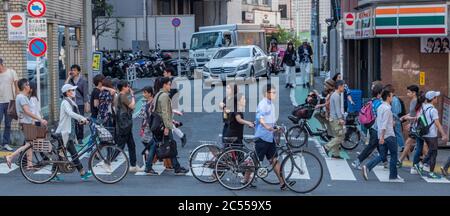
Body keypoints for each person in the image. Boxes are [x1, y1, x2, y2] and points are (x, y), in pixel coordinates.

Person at [254, 84, 294, 190]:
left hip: (269, 137)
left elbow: (271, 121)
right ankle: (245, 179)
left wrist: (277, 127)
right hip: (262, 137)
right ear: (266, 93)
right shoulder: (263, 104)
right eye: (273, 92)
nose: (275, 94)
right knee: (255, 161)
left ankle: (283, 183)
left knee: (274, 160)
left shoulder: (271, 104)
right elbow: (260, 118)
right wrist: (267, 127)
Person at [6, 80, 48, 168]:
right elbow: (27, 111)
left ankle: (29, 164)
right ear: (25, 86)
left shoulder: (21, 96)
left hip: (26, 123)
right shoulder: (22, 97)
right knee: (29, 144)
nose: (29, 87)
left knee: (30, 144)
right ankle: (11, 156)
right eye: (28, 85)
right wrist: (40, 119)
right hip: (26, 124)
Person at [55, 84, 92, 181]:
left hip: (67, 132)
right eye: (72, 90)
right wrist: (82, 118)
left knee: (62, 153)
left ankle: (53, 173)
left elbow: (71, 116)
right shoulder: (65, 103)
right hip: (64, 132)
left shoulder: (70, 101)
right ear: (67, 92)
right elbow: (70, 113)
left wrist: (81, 120)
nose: (74, 92)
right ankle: (82, 172)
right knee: (72, 153)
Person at [362, 89, 400, 181]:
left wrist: (381, 136)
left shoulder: (380, 107)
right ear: (388, 97)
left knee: (383, 156)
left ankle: (367, 167)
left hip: (381, 135)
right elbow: (384, 124)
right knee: (394, 155)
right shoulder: (387, 109)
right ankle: (393, 176)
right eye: (392, 95)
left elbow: (380, 122)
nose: (392, 97)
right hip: (389, 135)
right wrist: (382, 137)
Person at [154, 77, 189, 175]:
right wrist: (167, 126)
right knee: (171, 146)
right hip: (165, 125)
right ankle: (177, 168)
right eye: (169, 84)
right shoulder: (164, 96)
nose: (170, 86)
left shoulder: (158, 94)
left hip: (158, 124)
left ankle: (149, 166)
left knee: (161, 145)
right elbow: (165, 113)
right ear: (164, 85)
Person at [413, 91, 448, 179]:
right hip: (432, 134)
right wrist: (443, 134)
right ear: (433, 99)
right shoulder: (433, 110)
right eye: (436, 97)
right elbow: (437, 123)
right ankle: (420, 165)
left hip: (425, 134)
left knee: (433, 153)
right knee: (432, 151)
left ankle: (431, 172)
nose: (437, 98)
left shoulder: (423, 108)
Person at [352, 82, 384, 169]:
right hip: (376, 128)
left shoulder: (371, 101)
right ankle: (357, 161)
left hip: (371, 126)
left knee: (379, 146)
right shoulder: (379, 103)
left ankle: (385, 162)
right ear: (379, 93)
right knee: (371, 147)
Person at [116, 80, 142, 172]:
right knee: (120, 146)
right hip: (125, 125)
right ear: (123, 87)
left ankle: (133, 165)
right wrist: (132, 95)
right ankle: (108, 162)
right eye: (127, 86)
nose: (129, 88)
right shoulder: (123, 96)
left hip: (122, 124)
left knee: (131, 145)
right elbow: (132, 106)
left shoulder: (117, 96)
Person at [163, 67, 187, 147]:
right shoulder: (170, 81)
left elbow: (174, 94)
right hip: (170, 105)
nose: (163, 74)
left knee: (169, 124)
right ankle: (181, 136)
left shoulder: (172, 82)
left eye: (165, 72)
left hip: (171, 105)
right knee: (170, 124)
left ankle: (171, 143)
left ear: (169, 73)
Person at [65, 64, 89, 144]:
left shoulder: (83, 80)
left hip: (80, 103)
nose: (73, 71)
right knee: (73, 121)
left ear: (79, 71)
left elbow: (85, 93)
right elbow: (65, 87)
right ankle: (74, 137)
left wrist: (86, 104)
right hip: (71, 103)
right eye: (72, 70)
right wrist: (69, 77)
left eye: (75, 70)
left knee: (80, 120)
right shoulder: (70, 80)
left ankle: (80, 138)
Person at [0, 58, 19, 151]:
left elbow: (16, 87)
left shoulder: (11, 72)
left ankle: (5, 143)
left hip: (9, 102)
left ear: (1, 64)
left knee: (8, 124)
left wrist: (17, 99)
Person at [399, 85, 420, 166]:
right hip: (414, 126)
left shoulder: (416, 101)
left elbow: (419, 115)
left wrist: (409, 120)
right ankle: (400, 160)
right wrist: (405, 117)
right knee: (409, 143)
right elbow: (412, 113)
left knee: (421, 145)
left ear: (414, 93)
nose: (407, 94)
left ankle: (427, 160)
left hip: (418, 127)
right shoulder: (412, 101)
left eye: (408, 92)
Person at [324, 80, 346, 159]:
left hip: (332, 119)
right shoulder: (336, 96)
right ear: (339, 86)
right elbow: (337, 109)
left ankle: (335, 154)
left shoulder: (333, 94)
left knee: (336, 136)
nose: (344, 88)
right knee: (340, 137)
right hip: (336, 119)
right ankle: (327, 147)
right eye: (343, 86)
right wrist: (340, 119)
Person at [139, 86, 158, 175]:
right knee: (153, 146)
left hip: (150, 127)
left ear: (150, 93)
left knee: (151, 145)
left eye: (145, 92)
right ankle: (148, 167)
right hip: (149, 127)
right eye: (143, 92)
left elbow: (143, 115)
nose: (143, 94)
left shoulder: (152, 103)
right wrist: (142, 128)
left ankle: (148, 164)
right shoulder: (147, 103)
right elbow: (143, 116)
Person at [383, 85, 405, 151]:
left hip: (395, 120)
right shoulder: (394, 99)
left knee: (398, 133)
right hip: (393, 119)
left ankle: (402, 147)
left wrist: (394, 120)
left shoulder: (395, 100)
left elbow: (396, 112)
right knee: (396, 133)